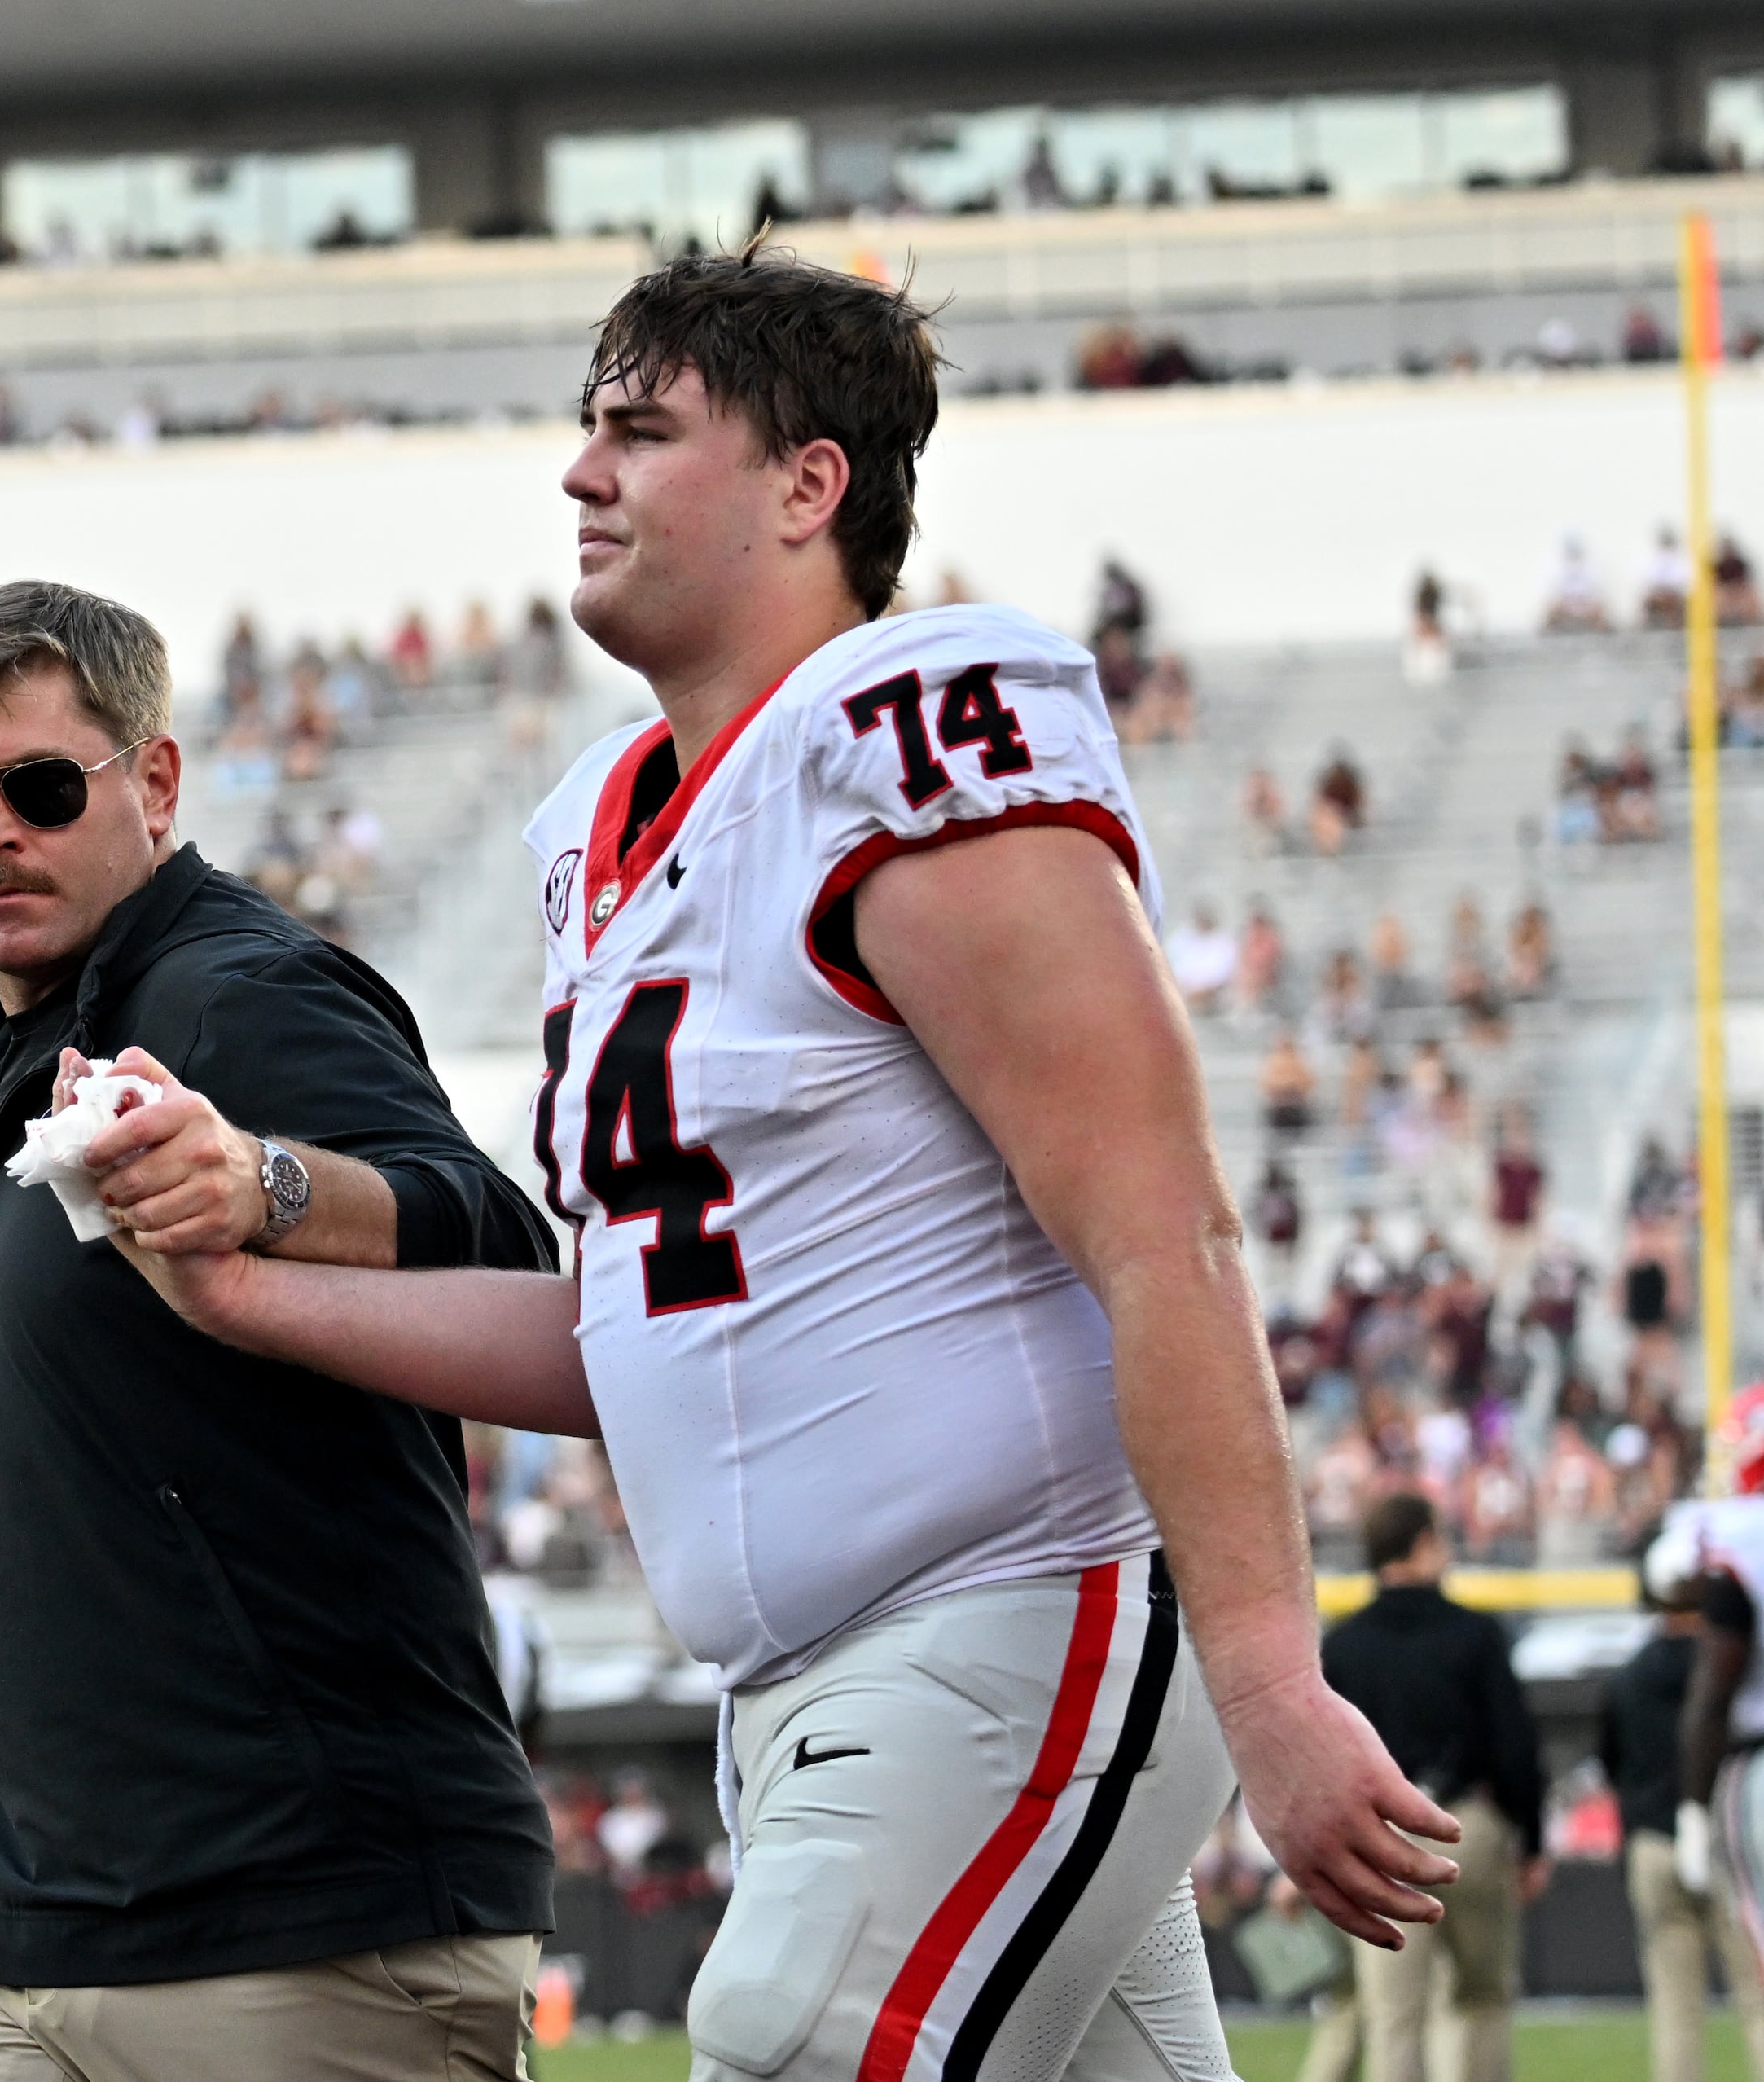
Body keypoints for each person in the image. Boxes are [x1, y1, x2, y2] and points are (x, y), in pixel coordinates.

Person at [103, 243, 1457, 2082]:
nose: (581, 472)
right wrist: (254, 1290)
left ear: (808, 483)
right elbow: (630, 1330)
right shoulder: (609, 827)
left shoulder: (899, 745)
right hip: (821, 1678)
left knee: (785, 2041)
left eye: (641, 431)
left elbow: (1163, 1235)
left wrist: (1270, 1672)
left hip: (1007, 1609)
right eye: (586, 428)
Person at [0, 579, 556, 2080]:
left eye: (43, 788)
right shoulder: (29, 1050)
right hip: (16, 1923)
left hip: (293, 1914)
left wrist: (267, 1182)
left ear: (158, 780)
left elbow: (496, 1231)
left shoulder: (233, 990)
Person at [1319, 1494, 1546, 2082]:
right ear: (1423, 1544)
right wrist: (1533, 1840)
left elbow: (1323, 1761)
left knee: (1394, 2019)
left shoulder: (1344, 1644)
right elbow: (1516, 1748)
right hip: (1463, 1824)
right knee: (1481, 2001)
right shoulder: (1475, 1634)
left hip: (1378, 1840)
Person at [1608, 1548, 1764, 2082]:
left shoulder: (1630, 1673)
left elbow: (1612, 1763)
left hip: (1653, 1841)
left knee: (1676, 2011)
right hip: (1725, 1837)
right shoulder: (1731, 1660)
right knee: (1757, 1999)